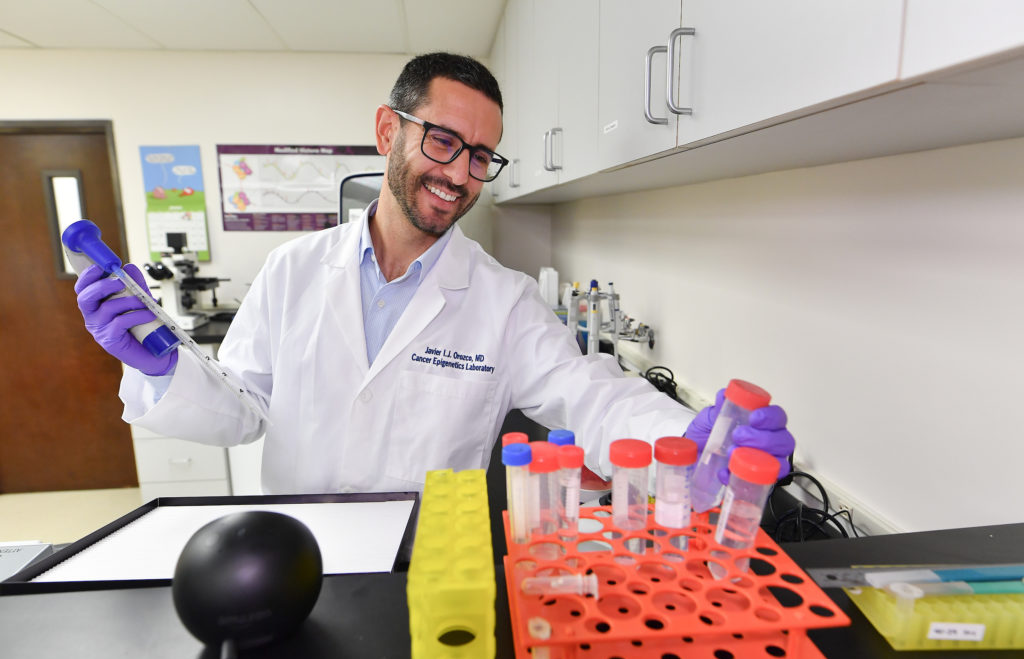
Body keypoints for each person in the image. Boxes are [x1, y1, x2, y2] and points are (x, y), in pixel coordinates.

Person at [73, 53, 794, 495]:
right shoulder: (293, 270)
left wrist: (689, 438)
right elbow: (243, 409)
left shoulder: (502, 300)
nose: (459, 175)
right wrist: (166, 369)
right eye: (443, 141)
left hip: (425, 568)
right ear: (390, 131)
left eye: (480, 155)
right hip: (300, 558)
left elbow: (590, 396)